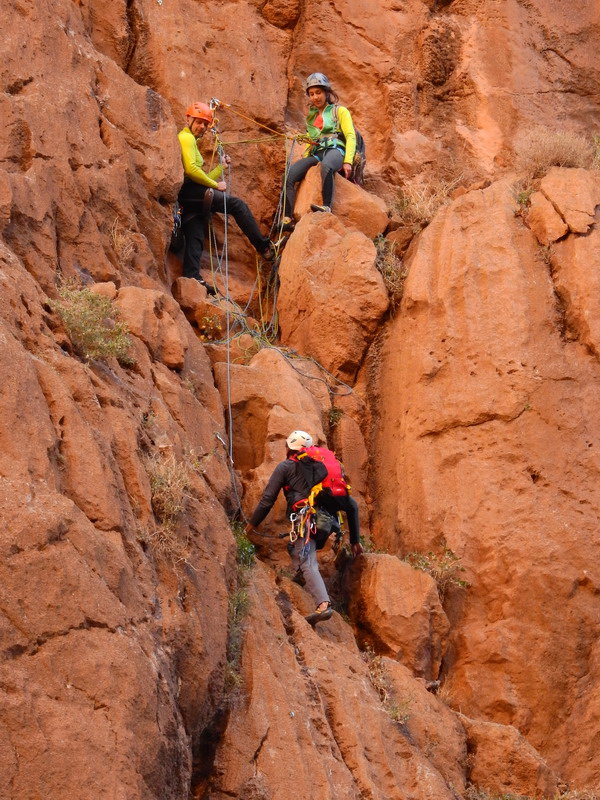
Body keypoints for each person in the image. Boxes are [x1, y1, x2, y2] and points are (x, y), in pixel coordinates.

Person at [245, 429, 363, 625]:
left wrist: (250, 526)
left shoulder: (286, 467)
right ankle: (301, 578)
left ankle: (323, 604)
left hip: (307, 520)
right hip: (328, 523)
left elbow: (267, 500)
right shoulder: (323, 471)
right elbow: (352, 505)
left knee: (307, 561)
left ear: (289, 449)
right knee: (296, 549)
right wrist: (355, 541)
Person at [177, 102, 276, 291]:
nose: (202, 127)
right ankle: (264, 247)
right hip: (189, 190)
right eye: (199, 122)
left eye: (205, 124)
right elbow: (191, 170)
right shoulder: (186, 138)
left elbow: (199, 175)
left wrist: (220, 168)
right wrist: (215, 184)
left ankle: (192, 276)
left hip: (190, 195)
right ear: (188, 119)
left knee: (196, 232)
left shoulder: (192, 142)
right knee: (237, 205)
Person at [281, 73, 357, 229]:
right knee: (289, 175)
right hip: (317, 152)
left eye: (318, 92)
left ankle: (326, 206)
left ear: (326, 92)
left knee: (327, 166)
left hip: (336, 150)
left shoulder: (339, 111)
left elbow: (350, 136)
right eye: (311, 94)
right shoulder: (312, 117)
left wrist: (348, 161)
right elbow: (313, 138)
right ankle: (287, 218)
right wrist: (304, 145)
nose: (315, 97)